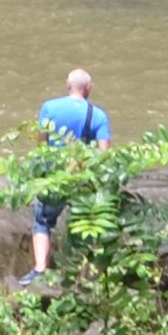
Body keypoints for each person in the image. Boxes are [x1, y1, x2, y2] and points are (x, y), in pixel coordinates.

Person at [28, 68, 108, 275]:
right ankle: (82, 274)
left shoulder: (49, 107)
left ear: (67, 85)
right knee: (84, 224)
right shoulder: (97, 115)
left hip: (55, 177)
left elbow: (42, 143)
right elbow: (104, 153)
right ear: (88, 88)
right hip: (82, 178)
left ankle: (40, 269)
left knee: (42, 221)